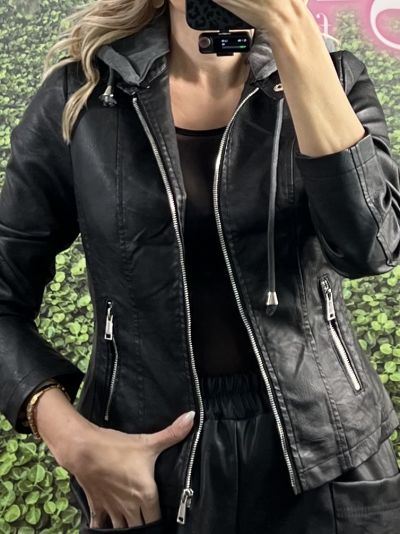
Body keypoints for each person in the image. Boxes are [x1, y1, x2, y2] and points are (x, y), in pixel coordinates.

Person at [0, 0, 400, 532]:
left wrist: (292, 34)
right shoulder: (85, 94)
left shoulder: (335, 77)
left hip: (325, 454)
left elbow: (369, 248)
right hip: (146, 463)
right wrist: (74, 442)